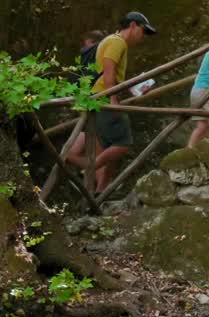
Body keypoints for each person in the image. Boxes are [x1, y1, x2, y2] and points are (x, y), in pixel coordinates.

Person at [66, 12, 158, 191]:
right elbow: (108, 71)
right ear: (132, 25)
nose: (143, 36)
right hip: (104, 98)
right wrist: (114, 100)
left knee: (108, 148)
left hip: (99, 97)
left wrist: (132, 89)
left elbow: (111, 76)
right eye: (143, 30)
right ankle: (88, 166)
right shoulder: (117, 42)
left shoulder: (113, 41)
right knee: (123, 144)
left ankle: (100, 192)